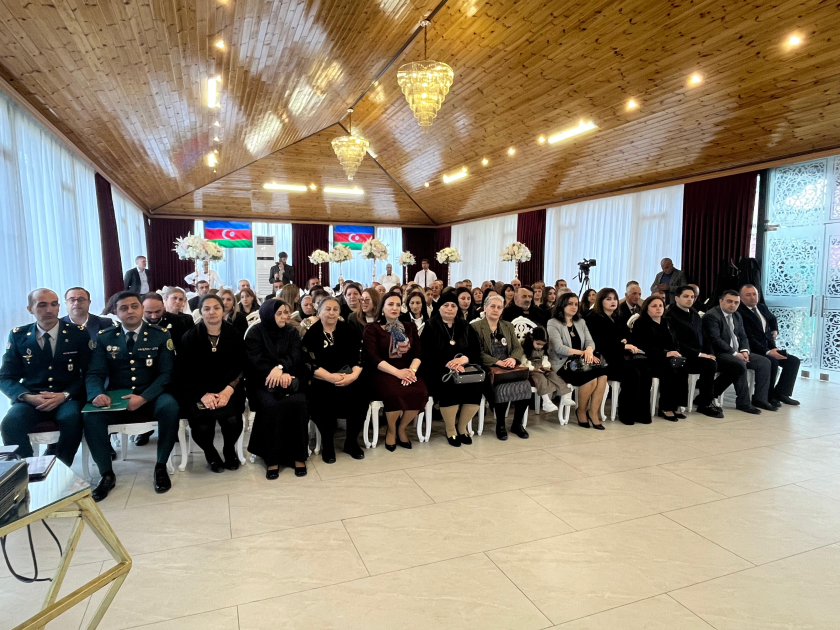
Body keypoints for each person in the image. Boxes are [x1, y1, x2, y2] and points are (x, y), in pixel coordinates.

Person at [85, 291, 179, 500]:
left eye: (134, 306)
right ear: (115, 312)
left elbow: (167, 373)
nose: (130, 311)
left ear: (142, 308)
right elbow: (95, 373)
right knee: (91, 417)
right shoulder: (105, 337)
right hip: (117, 396)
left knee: (170, 407)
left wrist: (144, 397)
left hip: (152, 394)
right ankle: (106, 474)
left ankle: (161, 466)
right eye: (124, 308)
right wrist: (97, 394)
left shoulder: (160, 334)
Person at [0, 289, 89, 466]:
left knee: (71, 419)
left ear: (58, 307)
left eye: (54, 304)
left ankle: (61, 468)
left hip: (66, 397)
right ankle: (28, 469)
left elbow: (89, 373)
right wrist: (27, 397)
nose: (49, 310)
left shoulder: (77, 333)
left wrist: (65, 395)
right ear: (30, 309)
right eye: (42, 305)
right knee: (10, 423)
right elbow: (6, 377)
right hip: (32, 398)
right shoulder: (18, 336)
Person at [176, 294, 246, 472]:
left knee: (232, 419)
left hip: (228, 388)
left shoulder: (234, 334)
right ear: (200, 312)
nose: (212, 312)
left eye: (216, 308)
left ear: (223, 311)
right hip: (197, 391)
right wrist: (202, 394)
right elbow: (184, 371)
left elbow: (241, 365)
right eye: (206, 309)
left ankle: (229, 449)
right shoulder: (190, 337)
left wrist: (228, 390)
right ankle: (210, 452)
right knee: (202, 425)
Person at [244, 299, 309, 479]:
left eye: (286, 312)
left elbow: (296, 354)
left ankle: (298, 455)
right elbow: (255, 360)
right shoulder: (255, 333)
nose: (284, 316)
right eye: (279, 313)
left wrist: (281, 369)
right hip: (262, 382)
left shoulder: (291, 332)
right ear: (268, 314)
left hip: (288, 378)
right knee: (272, 405)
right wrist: (274, 373)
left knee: (299, 403)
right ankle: (271, 458)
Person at [301, 297, 366, 462]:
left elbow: (360, 355)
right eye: (327, 309)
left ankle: (351, 442)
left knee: (361, 395)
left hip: (348, 376)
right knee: (322, 397)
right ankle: (328, 443)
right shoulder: (312, 334)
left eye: (335, 309)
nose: (331, 313)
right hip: (322, 379)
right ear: (319, 312)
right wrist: (330, 377)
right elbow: (308, 363)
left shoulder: (348, 330)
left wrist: (353, 376)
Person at [632, 296, 715, 421]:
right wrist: (665, 353)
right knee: (670, 371)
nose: (658, 308)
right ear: (647, 308)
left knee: (682, 369)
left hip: (669, 356)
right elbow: (643, 346)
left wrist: (676, 352)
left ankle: (677, 405)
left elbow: (675, 341)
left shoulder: (666, 321)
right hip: (651, 358)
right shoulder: (641, 323)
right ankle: (666, 407)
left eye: (660, 306)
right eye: (654, 306)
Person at [363, 294, 427, 450]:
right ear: (382, 308)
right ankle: (391, 430)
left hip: (408, 370)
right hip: (383, 371)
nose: (394, 308)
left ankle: (401, 428)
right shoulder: (372, 328)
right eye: (390, 304)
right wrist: (398, 373)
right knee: (394, 393)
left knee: (420, 391)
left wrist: (411, 371)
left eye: (398, 305)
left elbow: (418, 354)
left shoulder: (409, 327)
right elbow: (373, 357)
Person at [421, 293, 483, 446]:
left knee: (476, 387)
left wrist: (464, 359)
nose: (449, 308)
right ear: (439, 308)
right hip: (438, 369)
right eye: (446, 305)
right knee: (449, 386)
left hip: (463, 368)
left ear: (457, 308)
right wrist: (449, 364)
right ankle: (450, 429)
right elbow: (426, 353)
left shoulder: (465, 326)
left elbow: (475, 350)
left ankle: (461, 427)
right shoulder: (430, 325)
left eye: (453, 305)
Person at [702, 289, 775, 414]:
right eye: (729, 301)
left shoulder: (737, 315)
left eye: (736, 302)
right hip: (719, 353)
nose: (733, 305)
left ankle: (760, 399)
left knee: (764, 362)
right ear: (721, 301)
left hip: (737, 352)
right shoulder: (712, 316)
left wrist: (745, 350)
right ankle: (743, 403)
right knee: (739, 364)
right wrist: (736, 354)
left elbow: (743, 335)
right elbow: (715, 340)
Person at [585, 288, 650, 425]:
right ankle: (626, 414)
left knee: (645, 371)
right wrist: (622, 345)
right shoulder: (593, 318)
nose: (613, 301)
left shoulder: (618, 317)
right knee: (632, 374)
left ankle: (640, 413)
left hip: (618, 356)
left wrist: (624, 342)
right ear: (600, 301)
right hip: (602, 359)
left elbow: (627, 336)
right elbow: (598, 343)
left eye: (614, 298)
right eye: (608, 299)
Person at [472, 295, 531, 440]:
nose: (496, 310)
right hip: (489, 367)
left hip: (509, 366)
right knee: (501, 388)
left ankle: (517, 424)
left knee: (525, 386)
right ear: (485, 308)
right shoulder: (476, 327)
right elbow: (477, 352)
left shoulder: (507, 326)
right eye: (492, 306)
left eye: (499, 307)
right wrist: (497, 362)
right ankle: (501, 425)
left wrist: (512, 359)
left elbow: (517, 348)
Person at [547, 292, 608, 429]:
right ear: (562, 305)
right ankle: (581, 411)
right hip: (562, 363)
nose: (574, 307)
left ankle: (593, 412)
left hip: (581, 362)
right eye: (570, 304)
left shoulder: (580, 322)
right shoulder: (553, 323)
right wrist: (583, 353)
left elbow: (590, 342)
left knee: (603, 375)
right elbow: (558, 348)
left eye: (576, 304)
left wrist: (589, 351)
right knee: (591, 379)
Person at [664, 286, 725, 418]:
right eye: (686, 296)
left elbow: (705, 337)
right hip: (683, 355)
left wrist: (710, 353)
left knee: (713, 363)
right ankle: (703, 403)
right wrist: (699, 354)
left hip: (698, 355)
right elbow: (676, 342)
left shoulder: (694, 314)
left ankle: (705, 403)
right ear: (677, 298)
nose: (690, 299)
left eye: (692, 297)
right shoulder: (670, 316)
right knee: (708, 364)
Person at [738, 284, 800, 405]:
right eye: (748, 295)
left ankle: (781, 393)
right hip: (753, 349)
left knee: (793, 361)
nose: (752, 297)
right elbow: (748, 337)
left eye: (754, 294)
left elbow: (772, 318)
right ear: (741, 297)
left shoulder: (761, 307)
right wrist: (767, 352)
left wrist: (775, 329)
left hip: (768, 346)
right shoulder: (740, 312)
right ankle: (768, 396)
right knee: (773, 361)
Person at [522, 326, 569, 413]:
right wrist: (534, 369)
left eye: (542, 345)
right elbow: (523, 363)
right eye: (538, 344)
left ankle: (565, 395)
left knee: (553, 375)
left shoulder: (543, 349)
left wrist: (546, 365)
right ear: (532, 339)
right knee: (541, 378)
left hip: (541, 367)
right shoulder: (526, 348)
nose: (540, 346)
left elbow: (545, 358)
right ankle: (546, 401)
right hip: (531, 370)